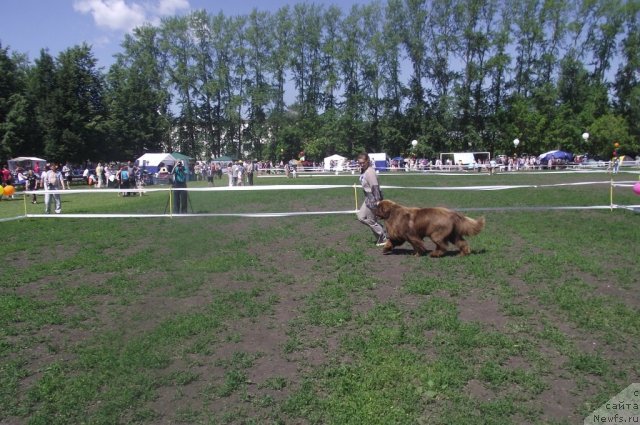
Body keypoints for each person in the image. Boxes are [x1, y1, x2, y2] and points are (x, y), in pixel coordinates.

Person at [356, 153, 387, 246]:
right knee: (361, 217)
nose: (361, 164)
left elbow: (375, 187)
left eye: (363, 163)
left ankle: (383, 237)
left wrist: (378, 202)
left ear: (368, 161)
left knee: (370, 220)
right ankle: (380, 230)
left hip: (373, 198)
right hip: (368, 197)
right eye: (359, 163)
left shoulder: (370, 172)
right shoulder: (364, 171)